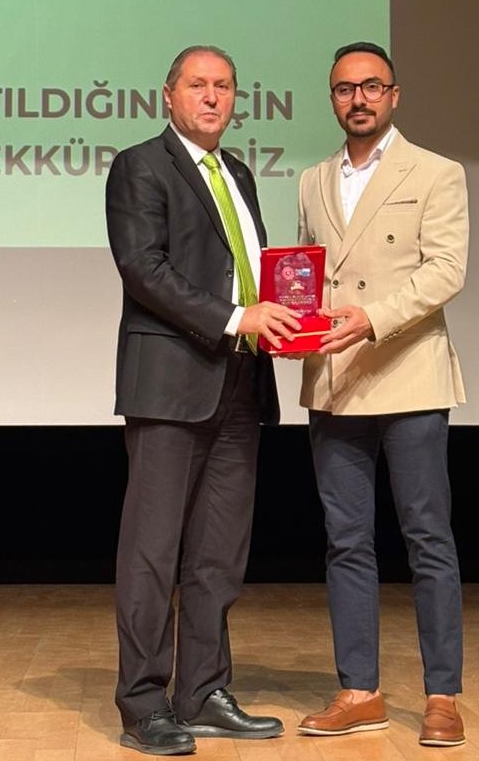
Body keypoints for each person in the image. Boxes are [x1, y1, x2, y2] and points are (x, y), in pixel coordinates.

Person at [105, 45, 301, 755]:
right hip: (170, 384)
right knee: (152, 552)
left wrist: (286, 320)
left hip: (241, 384)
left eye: (224, 86)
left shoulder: (238, 173)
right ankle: (144, 702)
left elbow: (248, 274)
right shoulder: (141, 165)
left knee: (220, 553)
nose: (212, 97)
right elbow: (143, 267)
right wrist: (237, 317)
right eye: (198, 85)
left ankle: (203, 692)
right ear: (168, 95)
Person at [295, 41, 469, 748]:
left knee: (427, 537)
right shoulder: (311, 180)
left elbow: (446, 271)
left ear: (394, 95)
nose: (358, 99)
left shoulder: (437, 172)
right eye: (345, 89)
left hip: (408, 374)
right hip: (335, 382)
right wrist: (294, 323)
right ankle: (359, 690)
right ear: (332, 99)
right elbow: (308, 275)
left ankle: (443, 694)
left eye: (371, 86)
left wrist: (372, 319)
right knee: (346, 540)